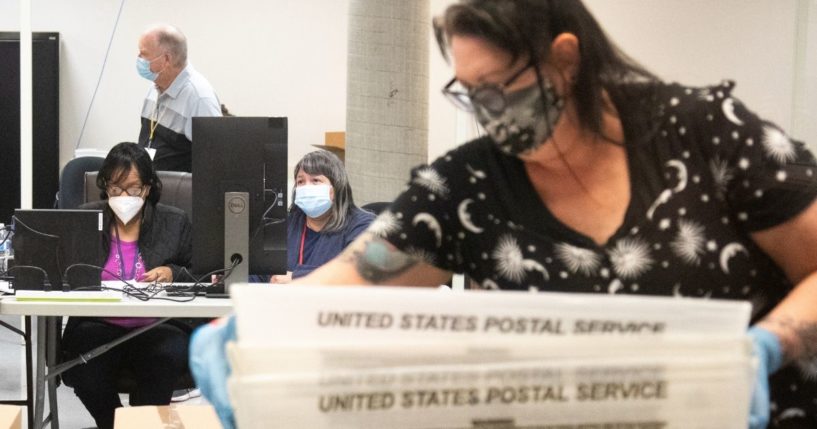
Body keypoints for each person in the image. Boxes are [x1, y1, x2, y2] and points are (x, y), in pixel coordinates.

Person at [193, 1, 817, 428]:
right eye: (470, 94)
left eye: (501, 89)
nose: (489, 113)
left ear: (565, 59)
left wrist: (768, 345)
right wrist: (251, 327)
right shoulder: (472, 186)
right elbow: (358, 276)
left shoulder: (705, 133)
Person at [61, 142, 193, 429]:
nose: (123, 196)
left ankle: (142, 423)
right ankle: (114, 424)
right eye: (115, 188)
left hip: (158, 324)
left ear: (147, 188)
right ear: (105, 186)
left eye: (133, 189)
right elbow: (65, 273)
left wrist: (172, 272)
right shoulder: (86, 218)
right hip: (98, 323)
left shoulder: (174, 221)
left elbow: (201, 274)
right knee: (84, 369)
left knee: (164, 359)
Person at [269, 150, 375, 283]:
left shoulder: (362, 224)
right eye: (301, 182)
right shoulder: (287, 223)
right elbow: (262, 272)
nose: (307, 187)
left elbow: (357, 270)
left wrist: (295, 277)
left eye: (315, 180)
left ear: (335, 188)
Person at [136, 24, 221, 172]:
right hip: (149, 188)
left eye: (143, 54)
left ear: (166, 59)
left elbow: (215, 163)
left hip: (179, 193)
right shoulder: (155, 87)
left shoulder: (200, 99)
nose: (139, 59)